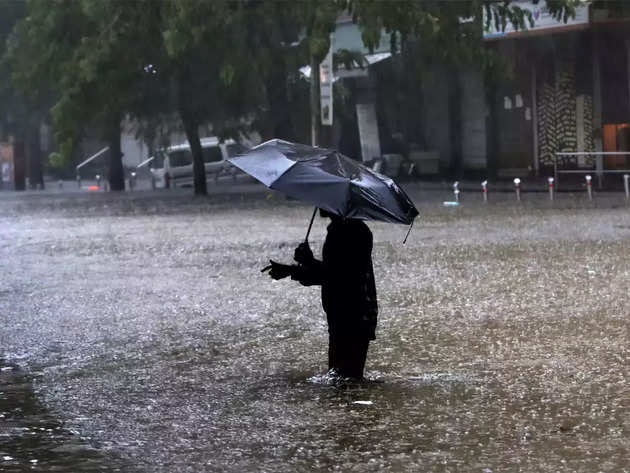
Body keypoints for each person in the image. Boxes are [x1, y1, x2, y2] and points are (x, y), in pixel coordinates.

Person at [262, 209, 377, 379]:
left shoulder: (352, 231)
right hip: (342, 314)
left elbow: (341, 276)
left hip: (353, 314)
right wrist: (294, 269)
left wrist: (305, 263)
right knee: (341, 379)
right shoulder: (340, 229)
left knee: (346, 379)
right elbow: (332, 274)